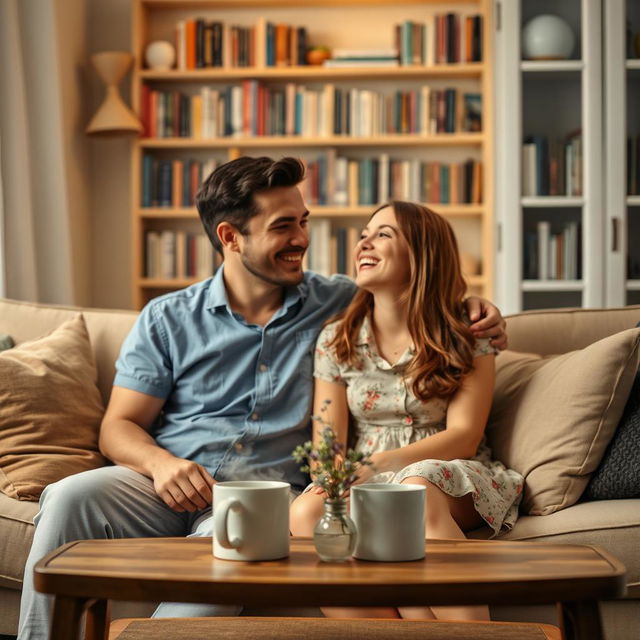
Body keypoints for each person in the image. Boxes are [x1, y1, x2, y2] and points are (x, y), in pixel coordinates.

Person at [18, 158, 507, 639]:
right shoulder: (167, 317)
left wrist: (475, 309)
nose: (301, 239)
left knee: (235, 541)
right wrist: (161, 464)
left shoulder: (340, 304)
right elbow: (118, 426)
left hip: (261, 496)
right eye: (283, 226)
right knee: (68, 496)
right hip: (163, 484)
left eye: (303, 221)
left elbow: (416, 296)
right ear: (231, 237)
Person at [290, 201, 524, 622]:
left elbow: (465, 435)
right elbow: (329, 443)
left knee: (413, 489)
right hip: (367, 479)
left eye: (383, 233)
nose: (365, 240)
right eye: (364, 232)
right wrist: (335, 475)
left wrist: (374, 466)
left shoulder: (467, 332)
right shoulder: (336, 339)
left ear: (422, 252)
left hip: (449, 473)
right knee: (306, 511)